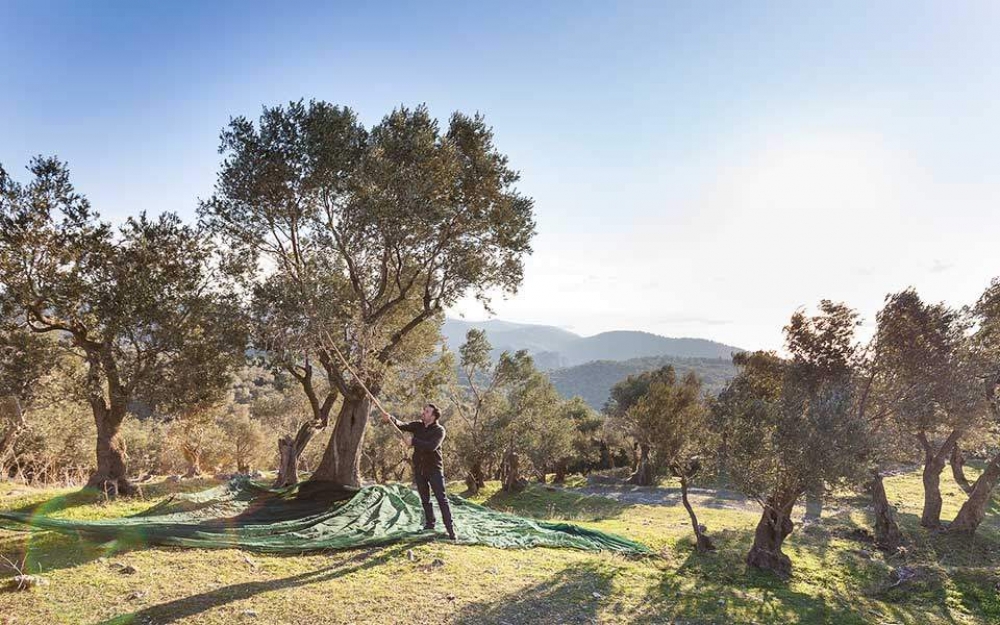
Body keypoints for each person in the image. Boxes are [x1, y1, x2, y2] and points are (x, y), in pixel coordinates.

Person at [381, 403, 456, 540]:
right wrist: (390, 418)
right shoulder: (418, 425)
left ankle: (450, 530)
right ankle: (430, 524)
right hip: (420, 469)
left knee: (441, 499)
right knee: (425, 499)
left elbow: (431, 446)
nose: (423, 413)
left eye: (427, 412)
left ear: (433, 416)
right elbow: (402, 425)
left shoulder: (439, 430)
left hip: (434, 469)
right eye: (424, 410)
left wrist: (413, 441)